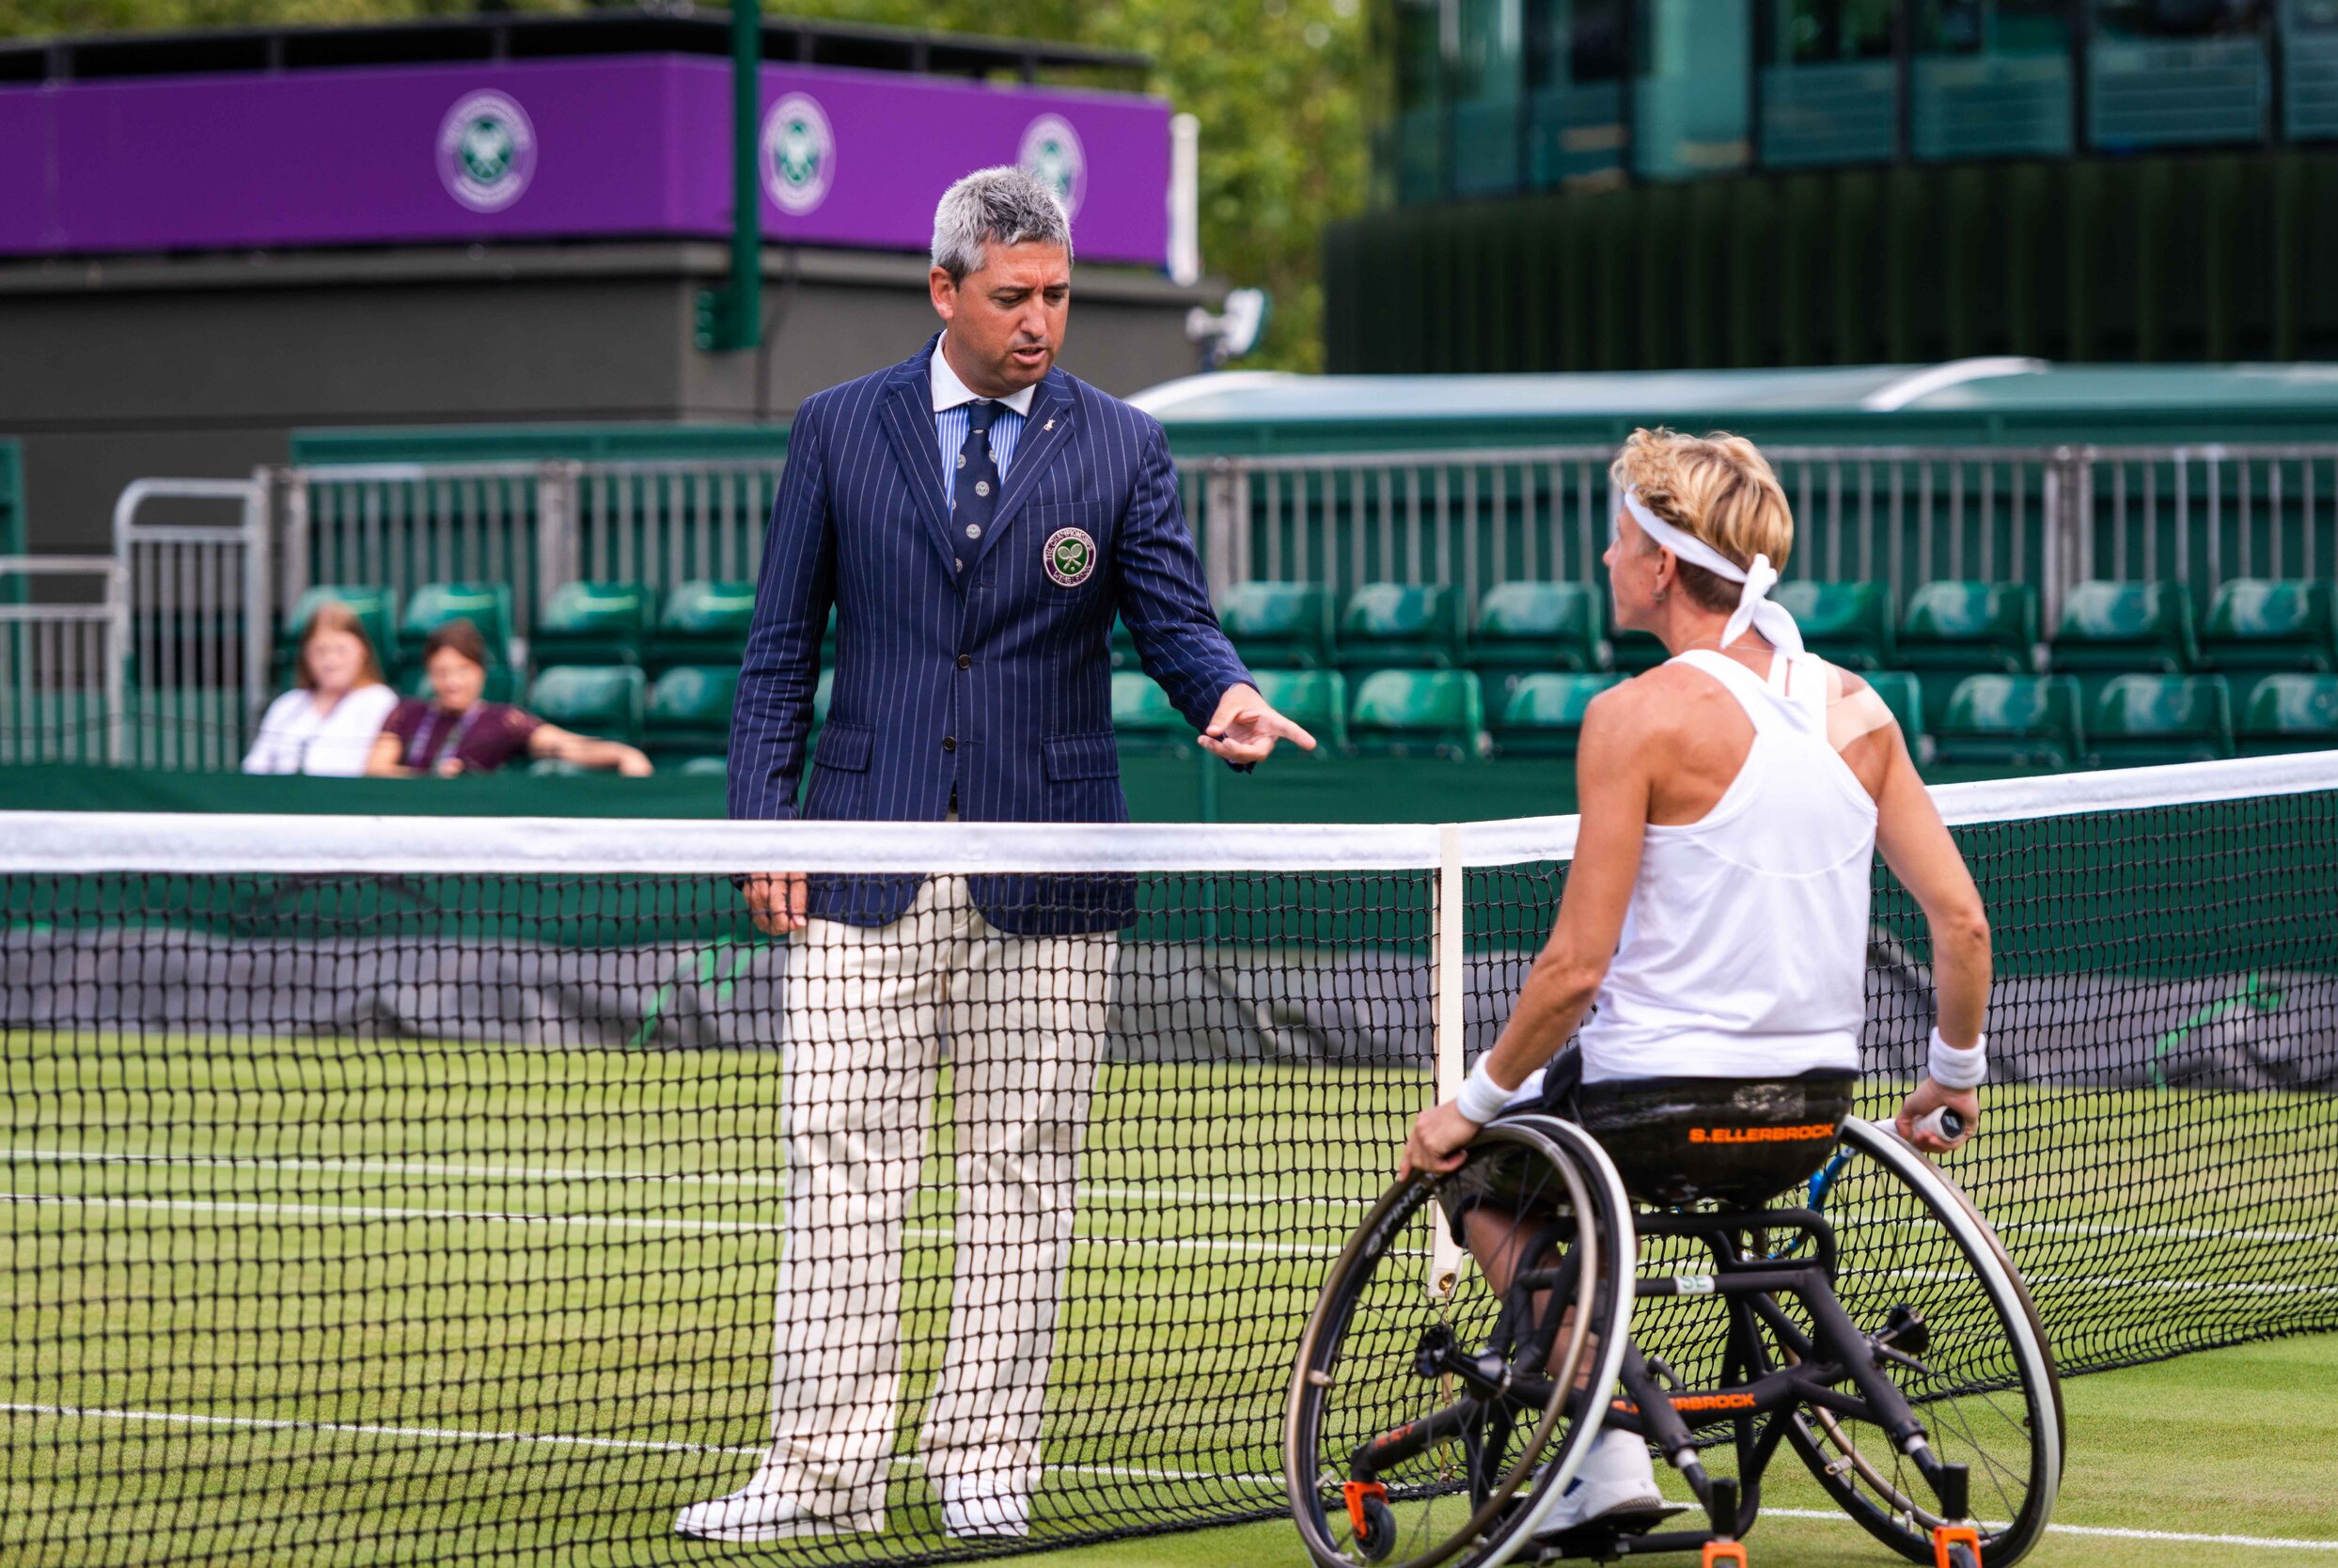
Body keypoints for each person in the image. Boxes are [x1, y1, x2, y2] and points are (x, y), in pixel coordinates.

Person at [679, 166, 1314, 1544]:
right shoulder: (837, 431)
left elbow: (1174, 621)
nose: (1042, 321)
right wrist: (760, 823)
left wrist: (1226, 696)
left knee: (1024, 1167)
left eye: (1060, 294)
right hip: (864, 850)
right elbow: (781, 650)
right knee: (840, 1159)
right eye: (1015, 296)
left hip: (1054, 864)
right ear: (944, 290)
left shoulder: (1124, 444)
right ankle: (822, 1469)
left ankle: (983, 1464)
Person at [1398, 428, 1992, 1542]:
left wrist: (1465, 1108)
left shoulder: (1633, 718)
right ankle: (1601, 1403)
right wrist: (1950, 1076)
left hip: (1647, 1112)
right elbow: (1960, 922)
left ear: (1662, 566)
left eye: (1620, 540)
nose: (1608, 559)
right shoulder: (1859, 710)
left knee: (1474, 1180)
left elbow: (1575, 970)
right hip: (1809, 1116)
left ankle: (1599, 1443)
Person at [364, 619, 651, 777]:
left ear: (481, 672)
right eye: (441, 672)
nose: (452, 682)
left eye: (463, 670)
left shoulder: (504, 720)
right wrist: (432, 779)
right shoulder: (406, 712)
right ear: (429, 673)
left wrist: (624, 753)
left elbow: (564, 747)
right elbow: (376, 769)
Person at [243, 603, 400, 776]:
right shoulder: (287, 703)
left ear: (362, 652)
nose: (330, 661)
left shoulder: (380, 700)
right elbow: (255, 766)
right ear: (306, 655)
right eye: (320, 651)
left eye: (341, 650)